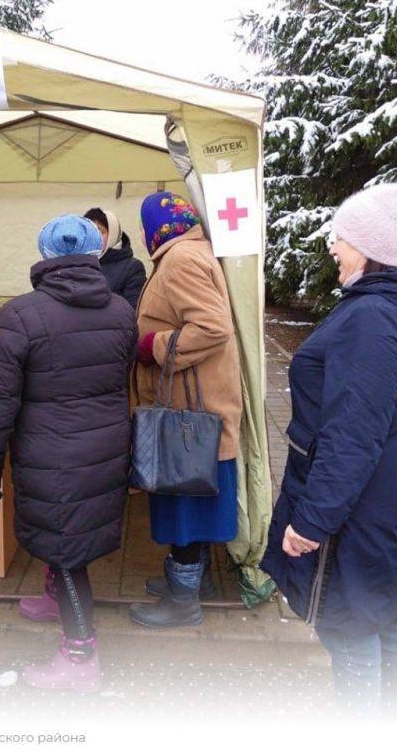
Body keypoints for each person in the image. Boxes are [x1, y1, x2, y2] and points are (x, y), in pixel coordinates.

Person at [259, 183, 397, 710]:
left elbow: (353, 435)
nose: (332, 246)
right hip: (388, 501)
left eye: (341, 237)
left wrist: (311, 521)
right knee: (381, 621)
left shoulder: (373, 319)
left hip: (357, 511)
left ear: (369, 249)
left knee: (350, 633)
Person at [0, 215, 137, 691]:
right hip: (104, 444)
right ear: (93, 255)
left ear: (45, 257)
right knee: (64, 536)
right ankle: (52, 599)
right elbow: (118, 375)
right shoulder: (122, 311)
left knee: (65, 553)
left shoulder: (20, 314)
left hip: (50, 451)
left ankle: (81, 656)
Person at [126, 192, 243, 628]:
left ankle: (184, 601)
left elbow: (213, 327)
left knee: (186, 507)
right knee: (191, 502)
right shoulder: (189, 252)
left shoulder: (180, 261)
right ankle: (196, 582)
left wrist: (151, 347)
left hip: (191, 417)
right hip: (199, 411)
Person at [84, 207, 147, 310]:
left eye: (100, 231)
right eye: (89, 232)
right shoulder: (80, 265)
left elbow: (133, 312)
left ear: (113, 234)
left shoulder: (132, 268)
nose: (94, 237)